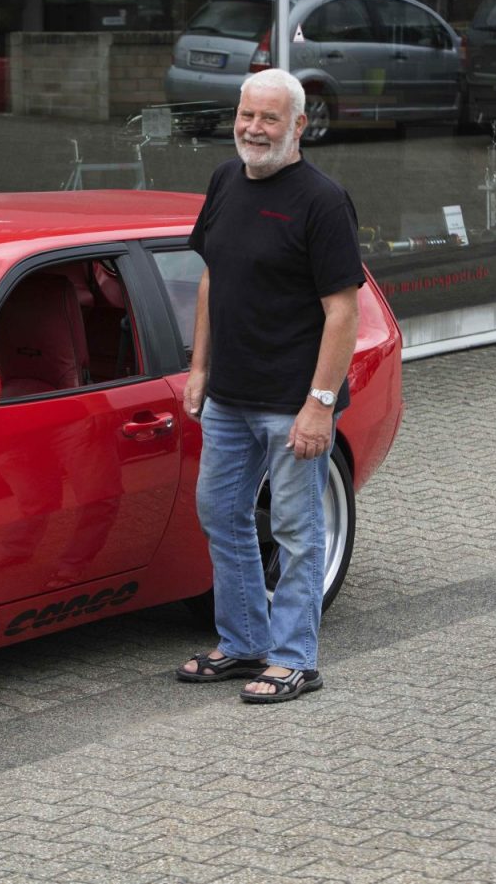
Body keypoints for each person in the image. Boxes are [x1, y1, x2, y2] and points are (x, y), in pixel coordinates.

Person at [174, 67, 363, 704]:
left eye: (270, 118)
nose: (254, 129)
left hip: (292, 402)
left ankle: (294, 659)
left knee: (297, 529)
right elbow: (210, 279)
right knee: (221, 514)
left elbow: (343, 310)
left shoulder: (323, 200)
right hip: (229, 395)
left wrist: (320, 404)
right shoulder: (226, 180)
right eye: (246, 116)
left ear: (299, 125)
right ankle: (243, 642)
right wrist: (200, 368)